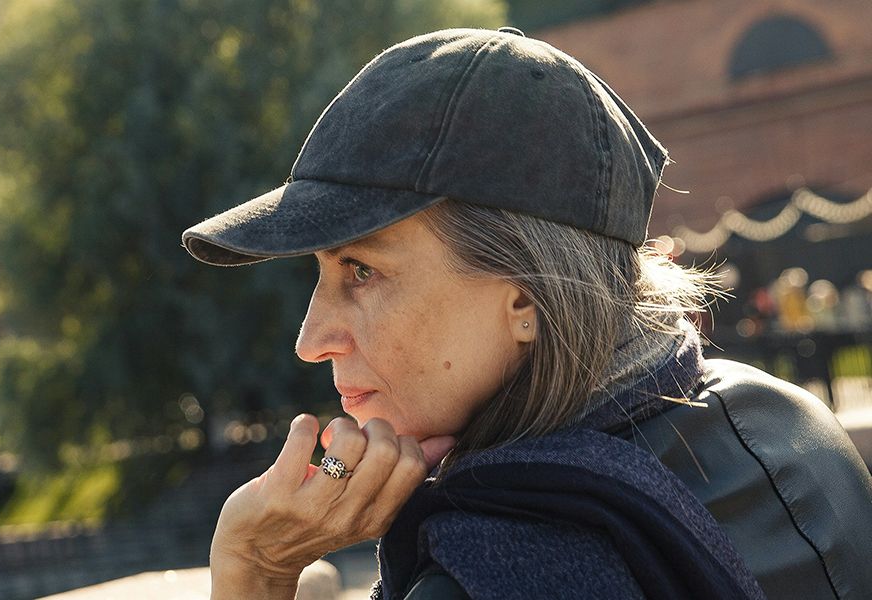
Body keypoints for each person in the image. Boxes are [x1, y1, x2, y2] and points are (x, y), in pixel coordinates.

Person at [182, 28, 872, 600]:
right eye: (321, 273)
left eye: (361, 271)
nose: (311, 339)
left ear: (526, 301)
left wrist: (254, 572)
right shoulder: (795, 431)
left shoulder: (481, 570)